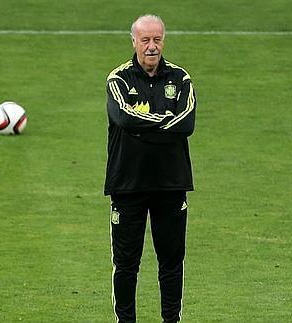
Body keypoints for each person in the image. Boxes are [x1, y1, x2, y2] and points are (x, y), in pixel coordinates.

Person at [104, 14, 196, 323]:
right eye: (145, 40)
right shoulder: (118, 79)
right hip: (127, 184)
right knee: (126, 263)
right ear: (134, 42)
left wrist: (145, 129)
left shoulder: (181, 79)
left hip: (170, 184)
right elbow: (124, 119)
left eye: (157, 39)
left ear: (163, 40)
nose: (152, 46)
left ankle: (172, 320)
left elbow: (188, 123)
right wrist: (165, 123)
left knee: (171, 261)